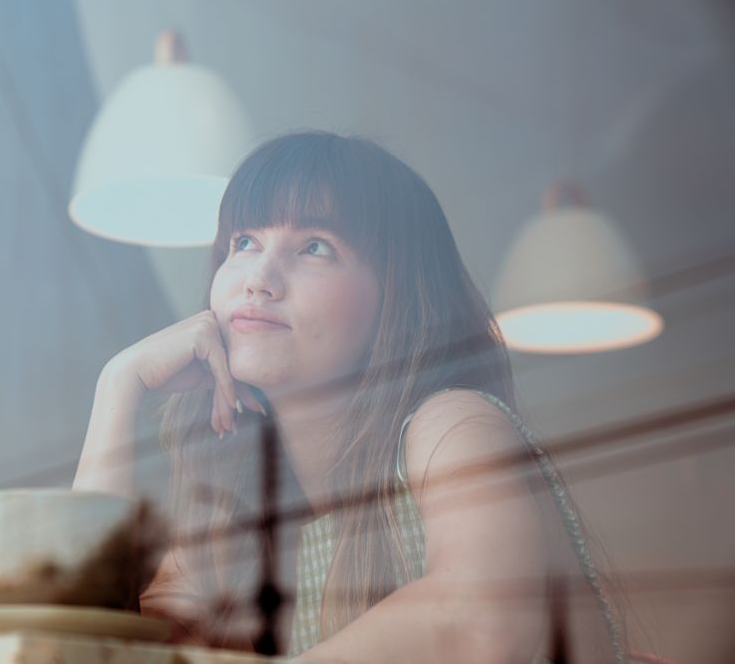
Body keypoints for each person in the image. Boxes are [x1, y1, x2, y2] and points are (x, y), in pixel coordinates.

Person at [73, 130, 626, 663]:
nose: (259, 279)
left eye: (315, 247)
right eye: (244, 242)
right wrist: (118, 387)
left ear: (396, 294)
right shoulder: (237, 513)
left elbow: (479, 622)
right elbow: (83, 645)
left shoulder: (450, 425)